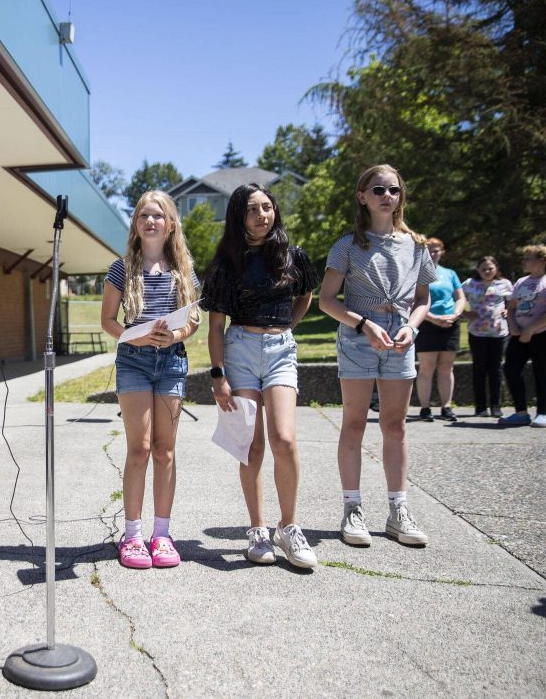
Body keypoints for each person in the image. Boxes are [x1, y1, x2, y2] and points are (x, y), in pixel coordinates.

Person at [201, 184, 320, 569]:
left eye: (268, 207)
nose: (262, 215)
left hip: (281, 351)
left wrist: (289, 326)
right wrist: (218, 375)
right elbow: (215, 325)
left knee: (284, 439)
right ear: (239, 216)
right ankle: (258, 531)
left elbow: (305, 296)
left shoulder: (292, 256)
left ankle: (289, 528)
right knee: (251, 445)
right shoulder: (225, 263)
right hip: (240, 350)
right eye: (253, 209)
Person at [319, 164, 437, 548]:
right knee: (354, 423)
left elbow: (423, 299)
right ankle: (352, 508)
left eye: (395, 189)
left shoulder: (416, 246)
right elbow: (326, 301)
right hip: (358, 340)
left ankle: (398, 511)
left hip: (401, 341)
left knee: (395, 425)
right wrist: (364, 325)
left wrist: (413, 327)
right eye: (379, 189)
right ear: (362, 197)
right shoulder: (347, 245)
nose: (388, 195)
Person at [100, 191, 200, 569]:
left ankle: (162, 534)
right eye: (144, 215)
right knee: (139, 448)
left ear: (171, 223)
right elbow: (108, 321)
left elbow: (192, 319)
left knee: (165, 450)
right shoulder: (121, 268)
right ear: (136, 224)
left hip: (171, 362)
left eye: (158, 215)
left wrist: (175, 335)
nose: (151, 220)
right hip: (134, 363)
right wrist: (137, 335)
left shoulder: (183, 269)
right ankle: (133, 535)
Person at [498, 245, 546, 427]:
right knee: (510, 368)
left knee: (542, 372)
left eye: (528, 258)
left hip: (545, 334)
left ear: (542, 260)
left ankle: (542, 414)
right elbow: (510, 308)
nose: (524, 261)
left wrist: (530, 330)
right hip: (519, 334)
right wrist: (513, 326)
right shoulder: (521, 281)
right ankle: (521, 413)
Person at [414, 238, 465, 421]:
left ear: (442, 251)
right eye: (429, 250)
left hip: (449, 324)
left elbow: (460, 297)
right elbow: (413, 301)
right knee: (426, 368)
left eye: (436, 250)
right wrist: (433, 318)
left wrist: (455, 314)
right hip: (427, 323)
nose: (433, 253)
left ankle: (446, 407)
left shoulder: (449, 273)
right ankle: (425, 408)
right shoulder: (417, 272)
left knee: (446, 367)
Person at [461, 256, 512, 417]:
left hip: (498, 332)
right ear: (478, 269)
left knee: (495, 368)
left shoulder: (504, 284)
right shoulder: (469, 284)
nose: (487, 271)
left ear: (496, 268)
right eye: (483, 268)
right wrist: (465, 312)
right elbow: (456, 299)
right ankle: (480, 406)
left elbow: (513, 303)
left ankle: (496, 405)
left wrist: (508, 310)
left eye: (490, 268)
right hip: (477, 332)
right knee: (479, 368)